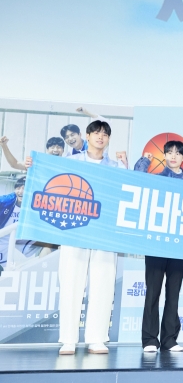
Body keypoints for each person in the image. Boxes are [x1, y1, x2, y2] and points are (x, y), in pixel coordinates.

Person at [29, 120, 128, 355]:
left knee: (103, 285)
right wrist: (34, 165)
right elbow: (47, 177)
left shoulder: (116, 166)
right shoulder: (70, 162)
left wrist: (125, 165)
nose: (100, 137)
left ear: (109, 139)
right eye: (96, 133)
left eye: (105, 134)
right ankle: (69, 340)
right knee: (71, 283)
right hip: (73, 230)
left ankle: (96, 338)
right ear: (88, 135)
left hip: (104, 234)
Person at [133, 141, 183, 353]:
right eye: (169, 152)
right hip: (156, 244)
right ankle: (149, 339)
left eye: (178, 153)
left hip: (179, 246)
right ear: (164, 155)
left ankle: (169, 340)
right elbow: (137, 178)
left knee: (173, 293)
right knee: (153, 292)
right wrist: (144, 160)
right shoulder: (155, 179)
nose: (174, 156)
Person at [0, 177, 44, 274]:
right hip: (2, 238)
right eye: (18, 188)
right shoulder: (7, 201)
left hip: (20, 237)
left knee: (48, 245)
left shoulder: (34, 204)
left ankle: (43, 271)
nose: (20, 191)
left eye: (24, 188)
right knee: (3, 269)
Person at [0, 136, 65, 170]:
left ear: (63, 150)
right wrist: (4, 146)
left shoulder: (67, 166)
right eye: (53, 147)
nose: (56, 150)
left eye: (59, 147)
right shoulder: (37, 163)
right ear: (47, 150)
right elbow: (14, 164)